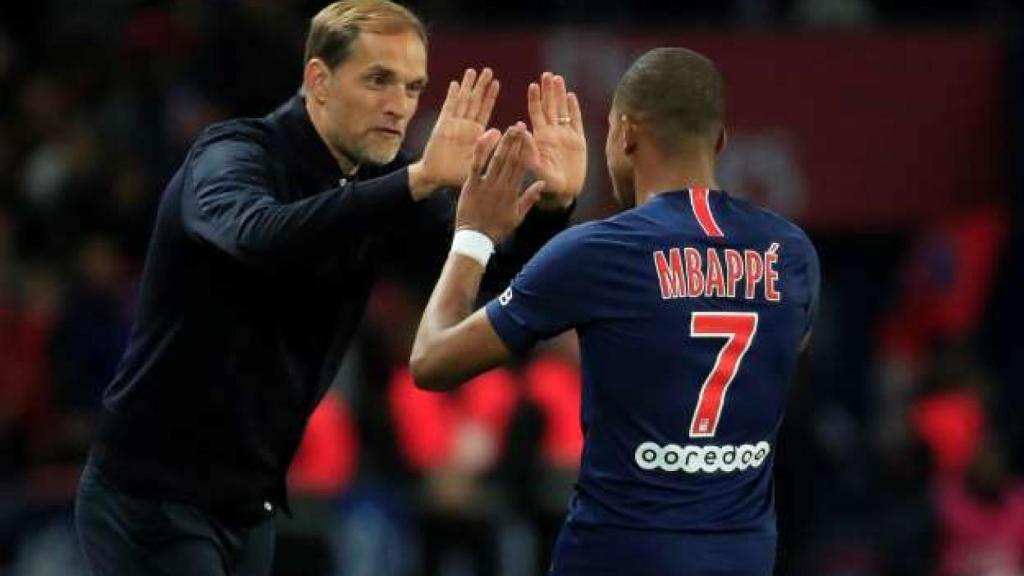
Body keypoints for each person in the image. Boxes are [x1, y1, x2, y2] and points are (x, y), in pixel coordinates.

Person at [74, 1, 584, 574]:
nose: (400, 106)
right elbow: (259, 236)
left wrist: (550, 208)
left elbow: (479, 268)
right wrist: (415, 181)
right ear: (318, 79)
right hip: (151, 501)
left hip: (248, 508)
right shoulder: (233, 156)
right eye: (378, 80)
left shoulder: (380, 182)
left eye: (414, 87)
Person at [411, 47, 820, 575]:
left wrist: (473, 236)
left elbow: (432, 360)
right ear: (719, 141)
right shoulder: (792, 252)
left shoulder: (601, 252)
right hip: (742, 557)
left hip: (617, 553)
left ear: (624, 133)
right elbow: (778, 347)